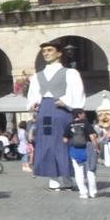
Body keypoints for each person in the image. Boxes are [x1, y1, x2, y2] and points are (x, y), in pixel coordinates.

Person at [27, 41, 85, 191]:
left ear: (59, 53)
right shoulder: (37, 76)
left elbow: (77, 92)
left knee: (64, 143)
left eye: (49, 50)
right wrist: (33, 103)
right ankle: (53, 177)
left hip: (62, 111)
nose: (46, 53)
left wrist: (66, 102)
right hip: (45, 110)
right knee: (46, 143)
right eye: (44, 51)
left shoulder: (70, 73)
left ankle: (67, 177)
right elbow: (33, 95)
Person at [65, 108, 99, 199]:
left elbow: (65, 139)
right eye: (83, 113)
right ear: (79, 114)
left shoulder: (69, 125)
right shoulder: (86, 123)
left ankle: (83, 193)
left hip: (75, 150)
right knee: (90, 171)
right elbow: (92, 137)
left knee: (78, 172)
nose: (85, 115)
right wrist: (97, 148)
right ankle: (93, 192)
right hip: (87, 149)